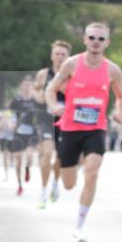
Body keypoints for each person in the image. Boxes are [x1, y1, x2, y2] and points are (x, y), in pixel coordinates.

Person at [45, 22, 122, 242]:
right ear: (85, 40)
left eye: (101, 39)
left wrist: (119, 112)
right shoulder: (71, 65)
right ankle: (68, 172)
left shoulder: (112, 70)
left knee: (92, 172)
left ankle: (79, 226)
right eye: (92, 38)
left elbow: (121, 96)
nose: (96, 42)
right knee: (69, 183)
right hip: (70, 128)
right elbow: (51, 89)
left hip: (96, 128)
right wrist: (54, 107)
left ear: (107, 43)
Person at [33, 39, 71, 208]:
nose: (60, 57)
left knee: (60, 158)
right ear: (51, 56)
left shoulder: (72, 74)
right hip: (46, 118)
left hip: (64, 119)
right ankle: (42, 192)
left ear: (68, 57)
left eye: (63, 54)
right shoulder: (43, 74)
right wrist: (39, 96)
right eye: (57, 54)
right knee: (47, 153)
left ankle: (55, 184)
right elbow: (36, 90)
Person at [9, 77, 39, 196]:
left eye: (29, 85)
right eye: (24, 85)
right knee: (17, 158)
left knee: (29, 155)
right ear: (21, 86)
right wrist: (10, 122)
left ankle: (27, 169)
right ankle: (19, 185)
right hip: (18, 133)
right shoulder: (16, 101)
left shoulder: (35, 101)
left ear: (32, 87)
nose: (26, 87)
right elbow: (9, 113)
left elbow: (41, 114)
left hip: (31, 133)